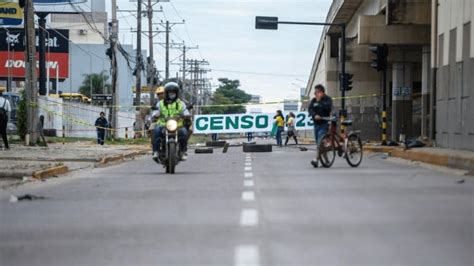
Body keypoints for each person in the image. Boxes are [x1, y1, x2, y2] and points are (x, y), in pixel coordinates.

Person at [152, 82, 190, 161]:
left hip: (178, 125)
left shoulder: (181, 103)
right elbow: (156, 112)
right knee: (156, 131)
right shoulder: (160, 103)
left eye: (173, 93)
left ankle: (183, 151)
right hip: (163, 124)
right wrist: (155, 115)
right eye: (169, 93)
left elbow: (186, 112)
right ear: (166, 93)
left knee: (184, 132)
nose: (171, 94)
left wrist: (186, 115)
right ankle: (156, 151)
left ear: (176, 93)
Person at [308, 84, 333, 167]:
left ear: (321, 92)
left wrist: (320, 102)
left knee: (320, 141)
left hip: (324, 124)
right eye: (315, 93)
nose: (315, 94)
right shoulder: (313, 100)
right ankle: (326, 160)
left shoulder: (327, 100)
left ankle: (316, 159)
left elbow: (328, 108)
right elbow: (310, 109)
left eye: (317, 92)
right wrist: (314, 115)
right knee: (319, 143)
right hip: (316, 124)